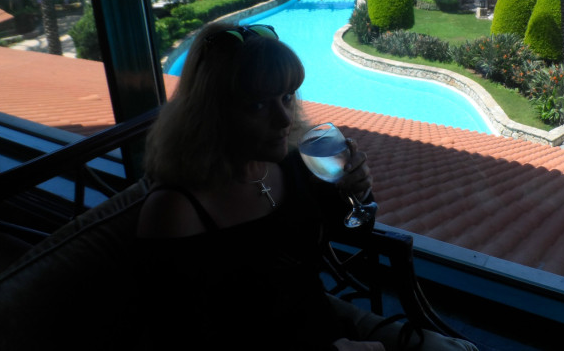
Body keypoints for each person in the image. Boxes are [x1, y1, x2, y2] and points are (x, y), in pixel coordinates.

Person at [136, 22, 477, 351]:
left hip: (323, 320)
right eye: (257, 104)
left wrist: (356, 193)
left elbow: (353, 231)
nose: (284, 118)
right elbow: (184, 337)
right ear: (211, 112)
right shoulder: (176, 211)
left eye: (286, 97)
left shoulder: (290, 164)